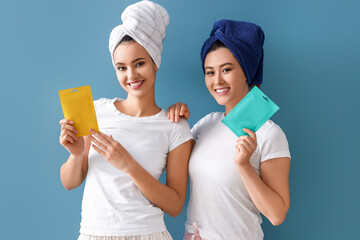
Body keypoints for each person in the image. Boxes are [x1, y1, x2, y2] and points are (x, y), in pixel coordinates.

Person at [58, 1, 192, 240]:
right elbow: (69, 183)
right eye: (121, 67)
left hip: (148, 234)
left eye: (139, 63)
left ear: (155, 63)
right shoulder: (96, 111)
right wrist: (76, 154)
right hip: (94, 233)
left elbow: (175, 205)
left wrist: (128, 164)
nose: (131, 75)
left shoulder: (175, 126)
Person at [167, 20, 291, 239]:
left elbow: (277, 214)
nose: (217, 80)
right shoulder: (205, 124)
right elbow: (168, 158)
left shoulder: (269, 134)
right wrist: (176, 121)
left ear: (246, 71)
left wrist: (244, 166)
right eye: (209, 72)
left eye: (226, 69)